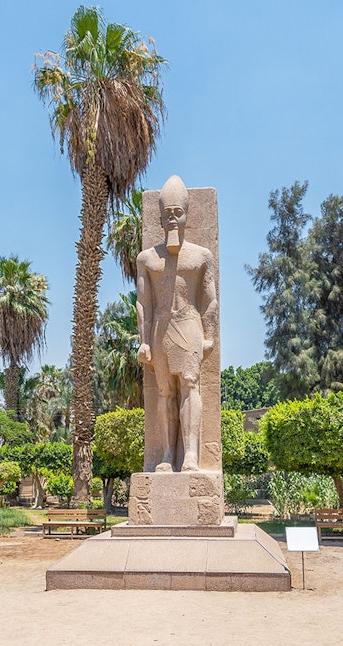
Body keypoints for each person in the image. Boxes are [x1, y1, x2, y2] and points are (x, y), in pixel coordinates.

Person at [136, 175, 218, 472]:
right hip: (160, 330)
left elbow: (210, 301)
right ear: (159, 217)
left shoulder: (201, 256)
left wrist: (209, 337)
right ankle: (169, 453)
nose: (172, 219)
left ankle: (192, 455)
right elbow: (144, 303)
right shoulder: (147, 259)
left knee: (190, 385)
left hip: (190, 326)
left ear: (186, 215)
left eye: (177, 213)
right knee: (165, 392)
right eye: (167, 214)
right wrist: (143, 341)